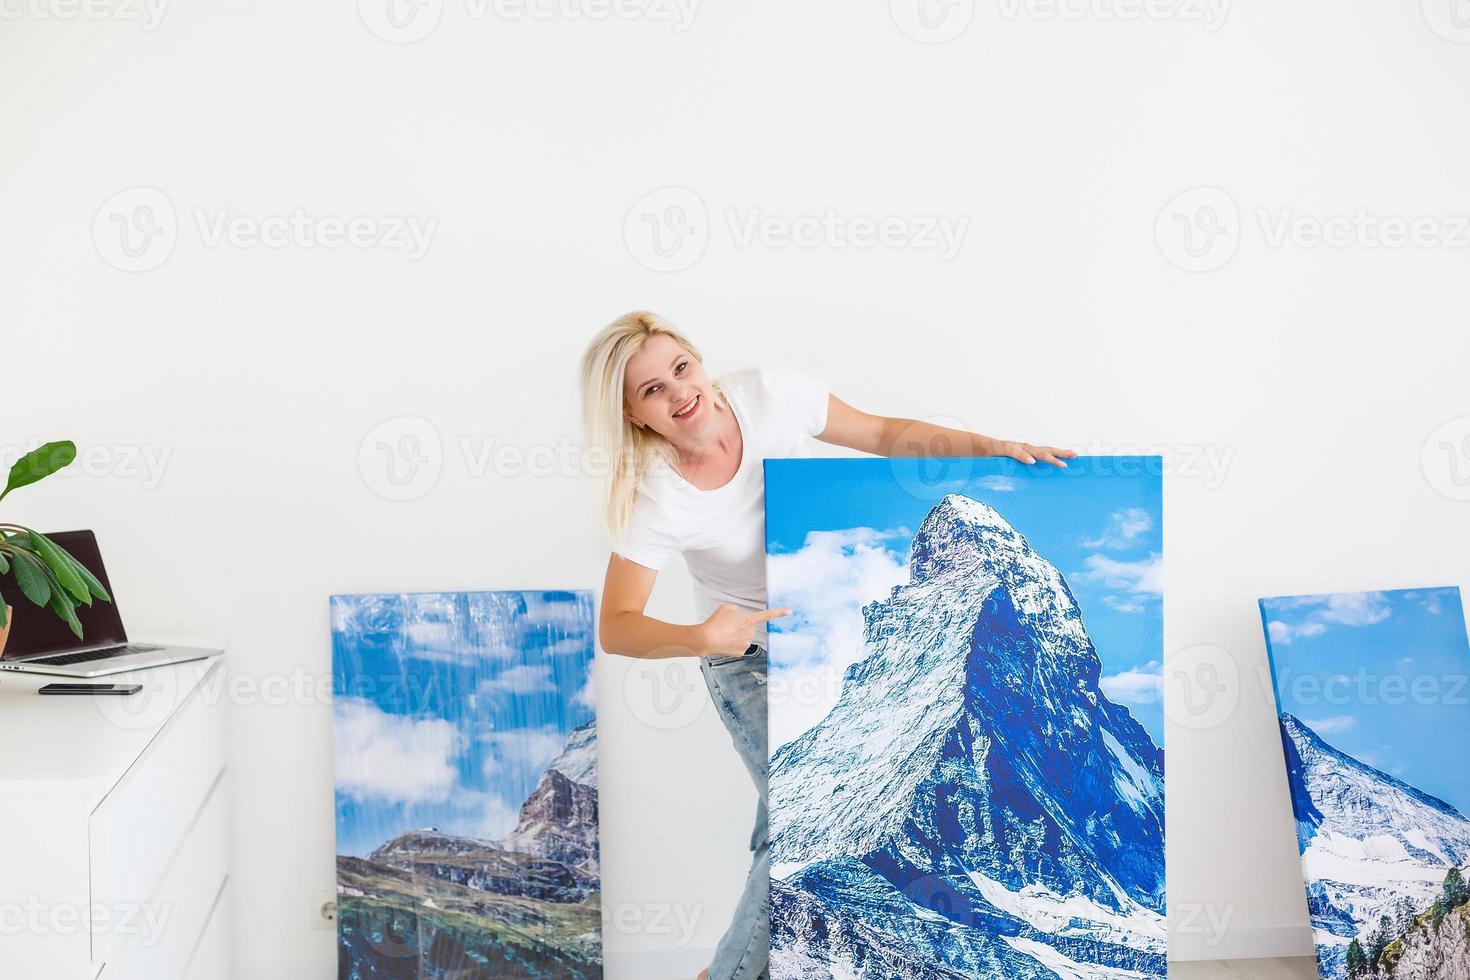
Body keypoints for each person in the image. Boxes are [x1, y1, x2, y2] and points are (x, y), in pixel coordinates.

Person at [577, 311, 1074, 980]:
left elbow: (879, 432)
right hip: (744, 659)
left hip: (822, 636)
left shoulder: (771, 396)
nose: (678, 392)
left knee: (771, 835)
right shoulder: (658, 497)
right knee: (792, 830)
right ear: (637, 416)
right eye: (651, 391)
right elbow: (618, 624)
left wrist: (990, 446)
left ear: (699, 360)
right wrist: (701, 635)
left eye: (680, 369)